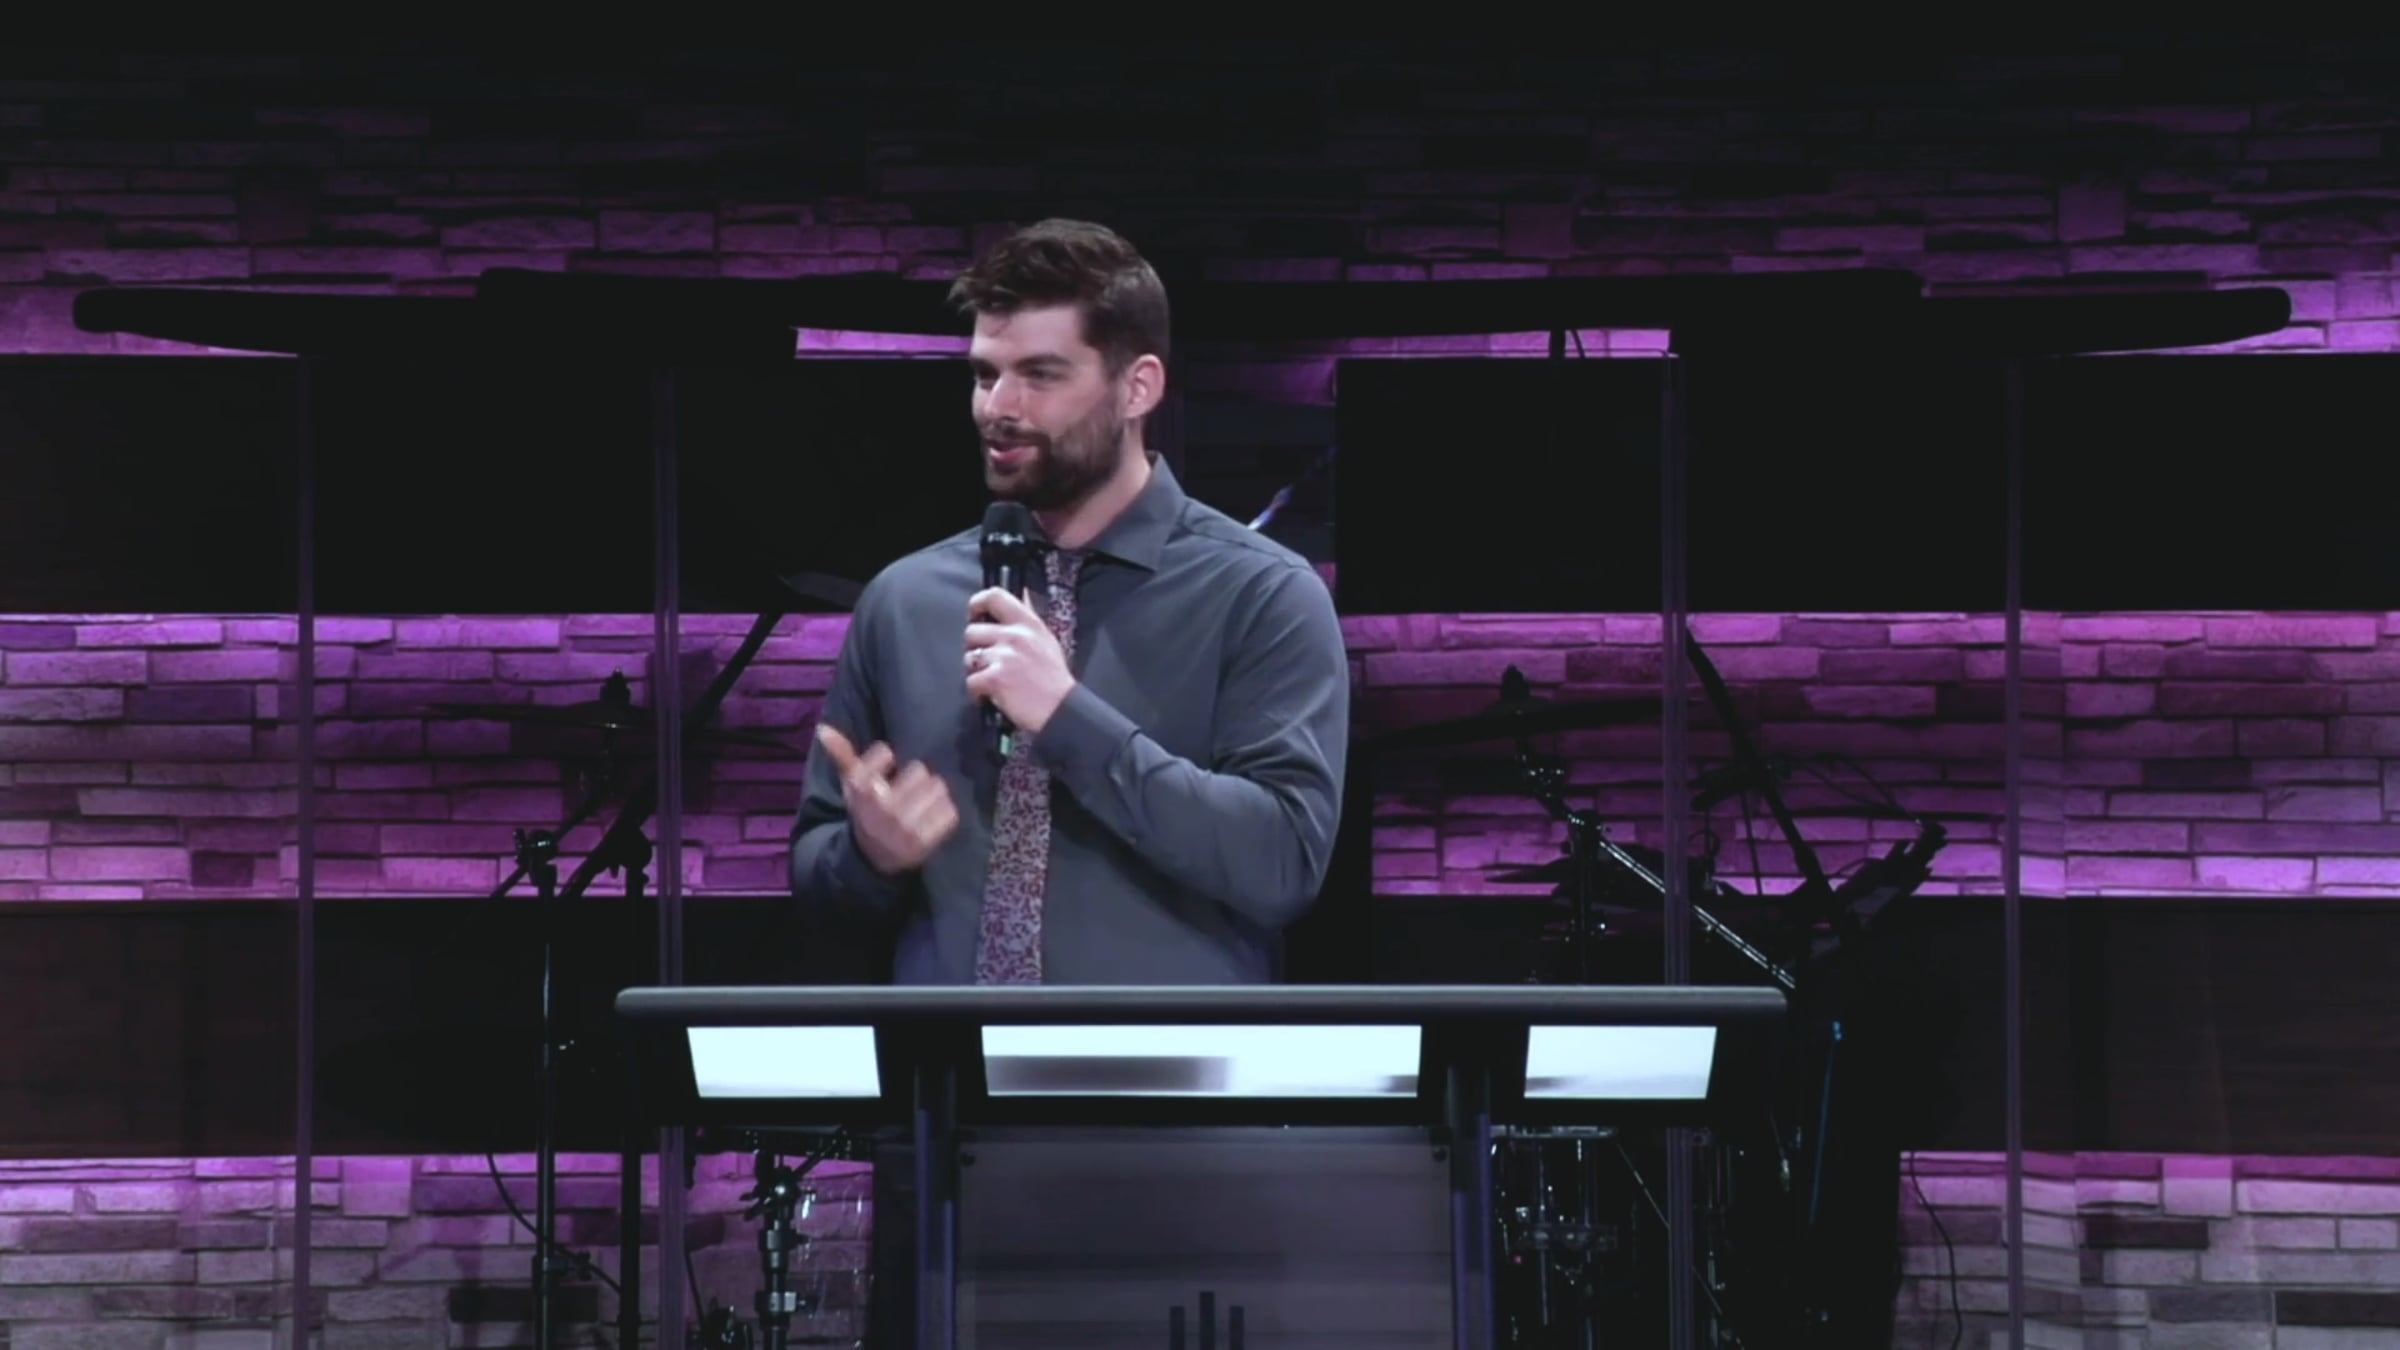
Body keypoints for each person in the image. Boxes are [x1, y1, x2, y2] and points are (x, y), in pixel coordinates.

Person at [787, 217, 1351, 985]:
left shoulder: (1261, 594)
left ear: (1138, 387)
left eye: (1041, 375)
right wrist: (868, 856)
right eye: (985, 375)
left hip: (1164, 1057)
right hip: (947, 1058)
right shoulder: (904, 600)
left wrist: (1066, 716)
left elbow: (1282, 864)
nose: (999, 407)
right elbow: (817, 881)